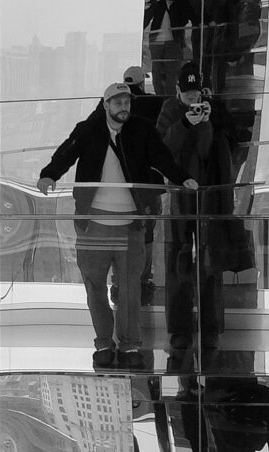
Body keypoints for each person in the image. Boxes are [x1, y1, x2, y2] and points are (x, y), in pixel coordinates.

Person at [37, 82, 196, 369]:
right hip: (93, 223)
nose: (124, 107)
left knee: (130, 289)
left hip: (130, 225)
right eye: (118, 102)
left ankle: (130, 346)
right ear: (106, 104)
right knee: (95, 287)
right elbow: (66, 154)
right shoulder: (88, 129)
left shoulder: (142, 130)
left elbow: (162, 158)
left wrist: (181, 177)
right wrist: (49, 175)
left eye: (127, 102)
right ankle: (104, 345)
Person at [158, 65, 234, 360]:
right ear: (178, 92)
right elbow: (162, 150)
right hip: (180, 198)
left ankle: (211, 327)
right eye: (188, 93)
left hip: (210, 197)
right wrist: (185, 124)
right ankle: (179, 329)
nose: (193, 99)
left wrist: (210, 122)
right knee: (177, 259)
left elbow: (230, 146)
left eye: (197, 93)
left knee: (210, 260)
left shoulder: (215, 109)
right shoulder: (169, 111)